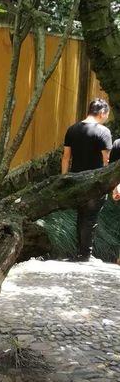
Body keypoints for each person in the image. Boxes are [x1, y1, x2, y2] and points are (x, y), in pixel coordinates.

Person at [62, 98, 112, 261]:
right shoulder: (103, 132)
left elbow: (66, 157)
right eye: (107, 114)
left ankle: (81, 253)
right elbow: (107, 161)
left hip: (76, 180)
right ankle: (85, 255)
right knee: (90, 218)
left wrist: (63, 179)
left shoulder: (72, 129)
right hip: (95, 182)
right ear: (102, 113)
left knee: (81, 215)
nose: (107, 117)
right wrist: (110, 183)